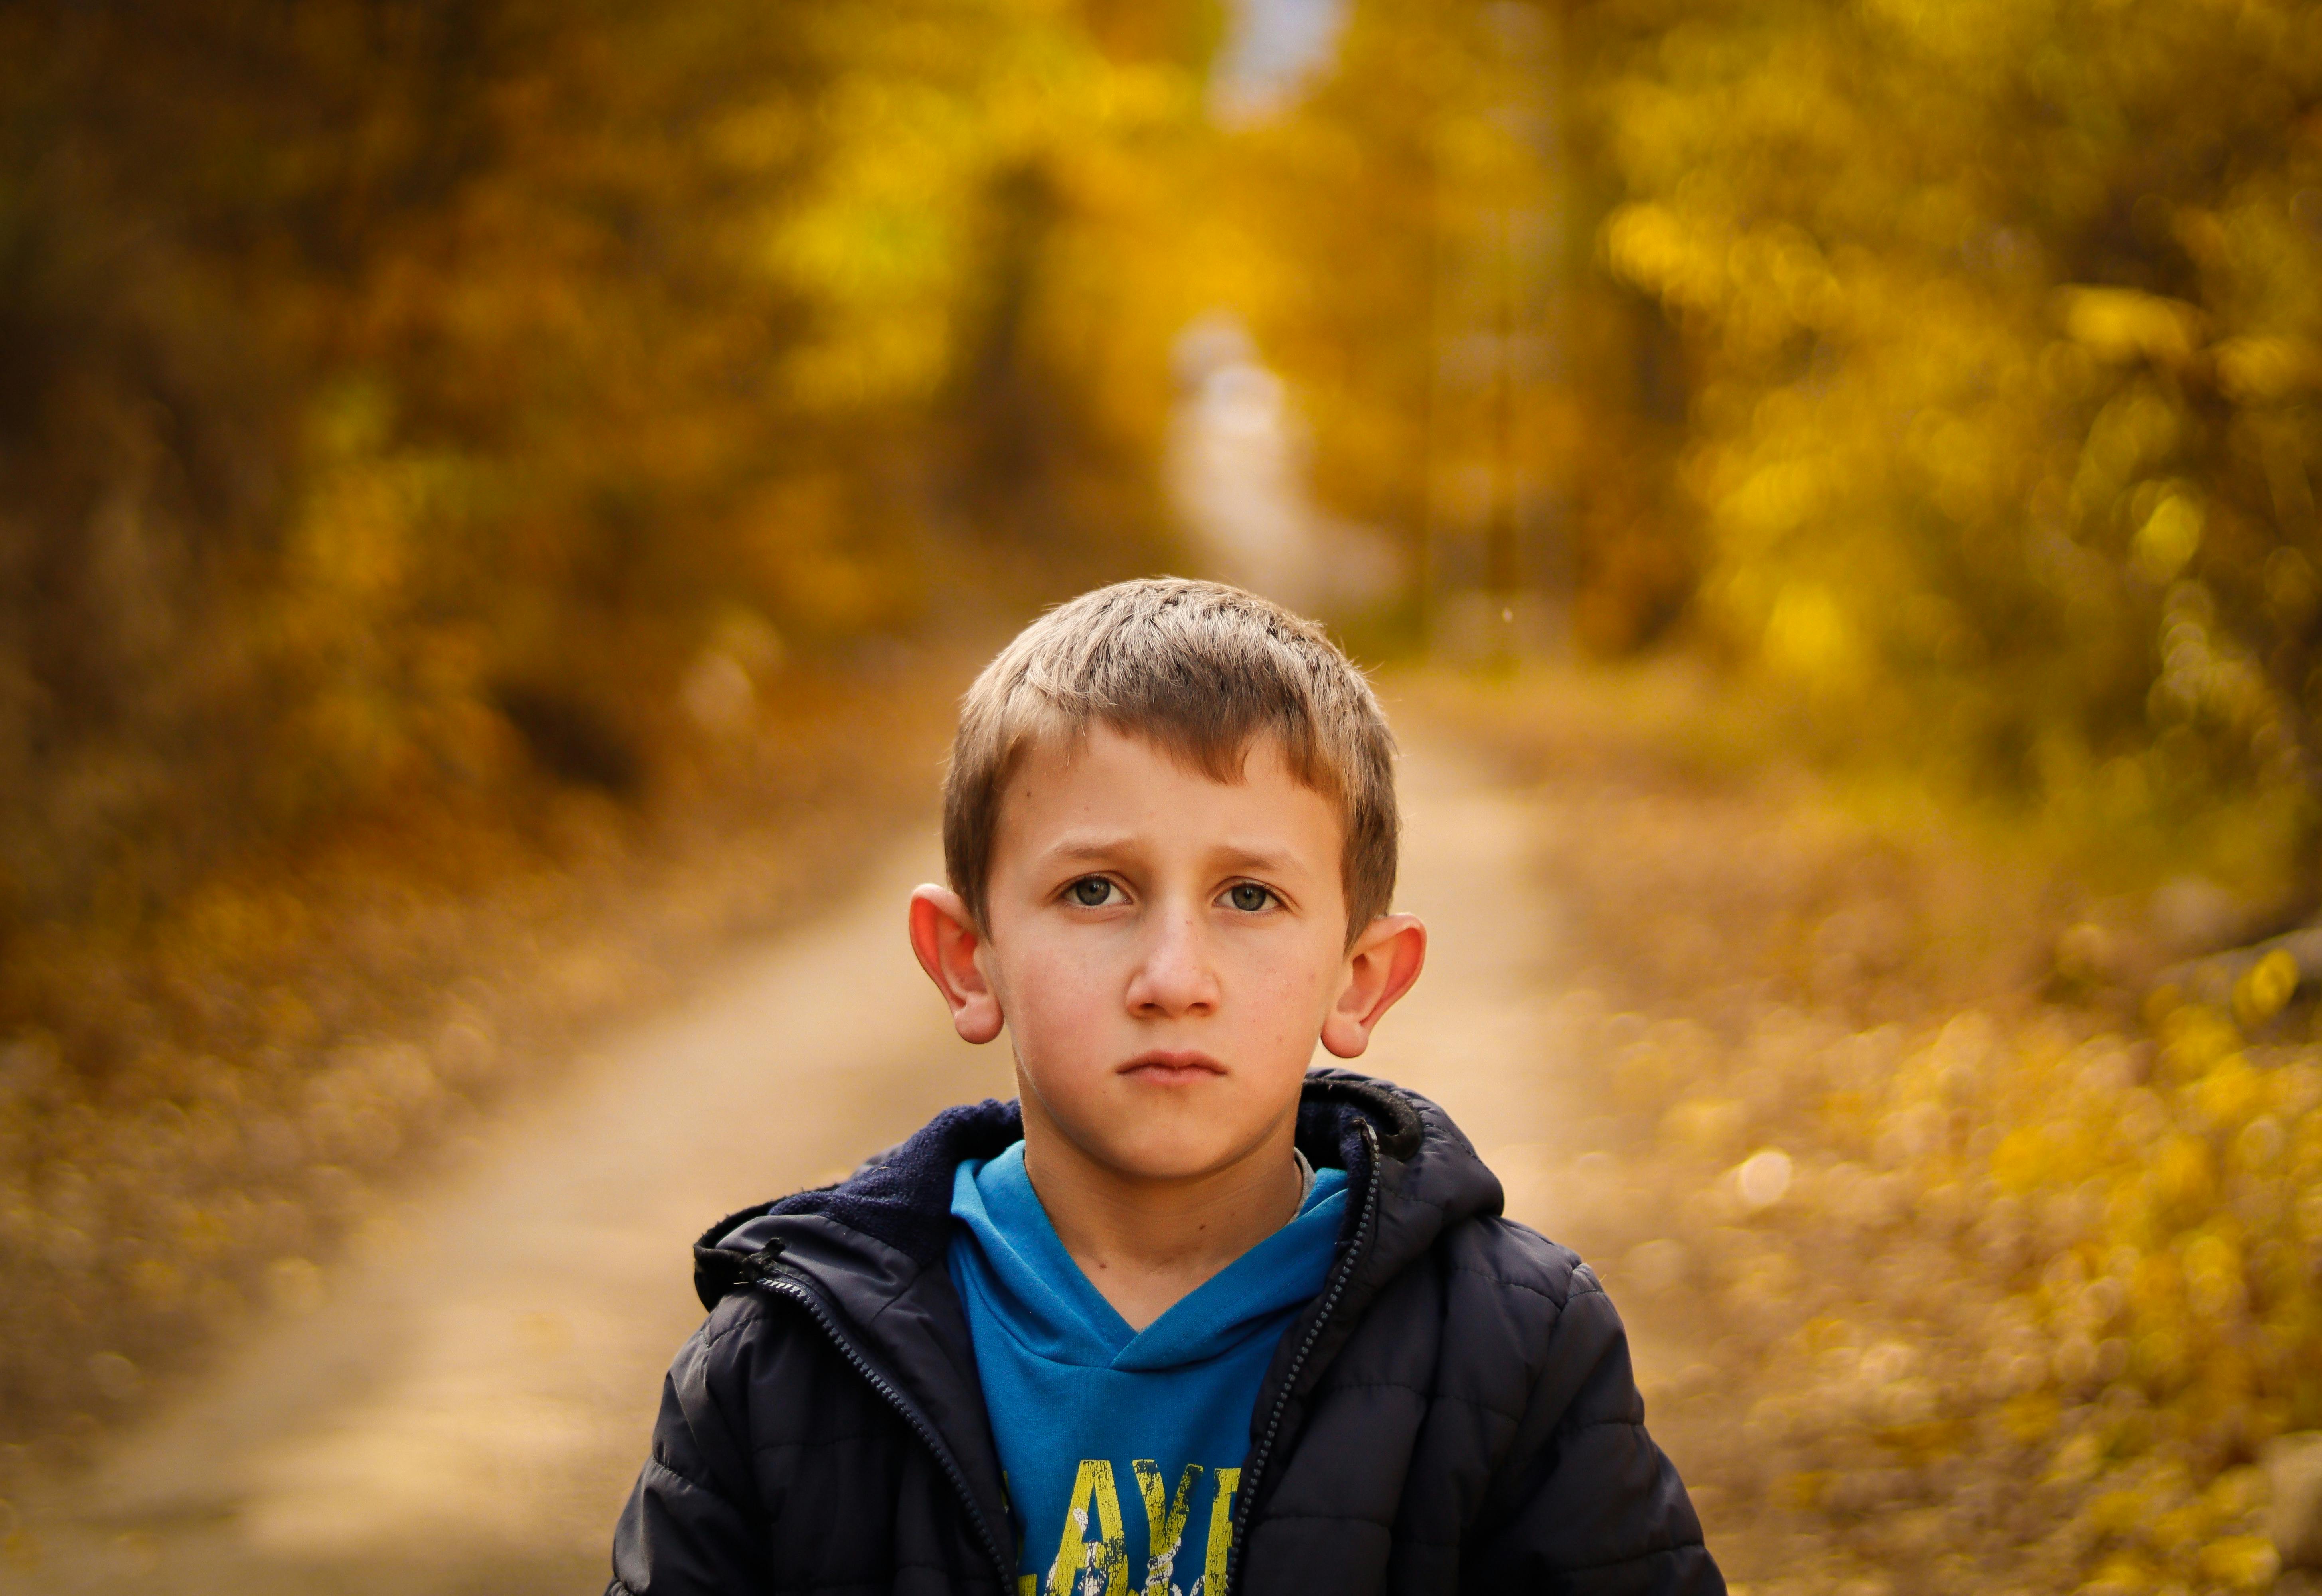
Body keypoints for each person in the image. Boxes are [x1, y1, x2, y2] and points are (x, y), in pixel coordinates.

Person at [607, 578, 1721, 1596]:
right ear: (965, 957)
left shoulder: (1507, 1351)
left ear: (1361, 979)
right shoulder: (785, 1366)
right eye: (1095, 890)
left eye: (1248, 898)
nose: (1173, 978)